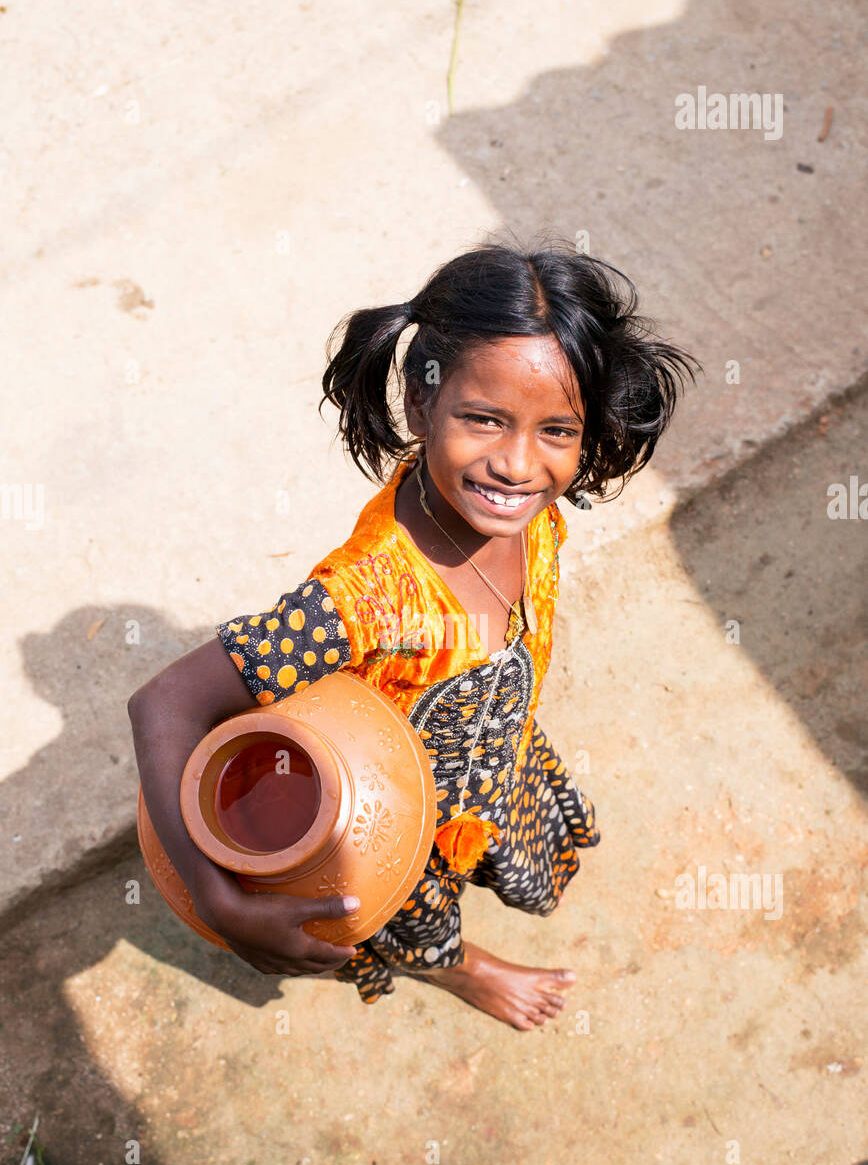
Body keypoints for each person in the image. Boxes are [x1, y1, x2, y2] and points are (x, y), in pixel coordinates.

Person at [128, 238, 697, 1030]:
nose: (518, 466)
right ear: (422, 405)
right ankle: (460, 969)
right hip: (392, 814)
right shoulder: (368, 597)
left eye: (557, 431)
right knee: (413, 916)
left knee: (503, 835)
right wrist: (220, 901)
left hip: (489, 756)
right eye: (484, 420)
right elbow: (164, 703)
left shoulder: (530, 510)